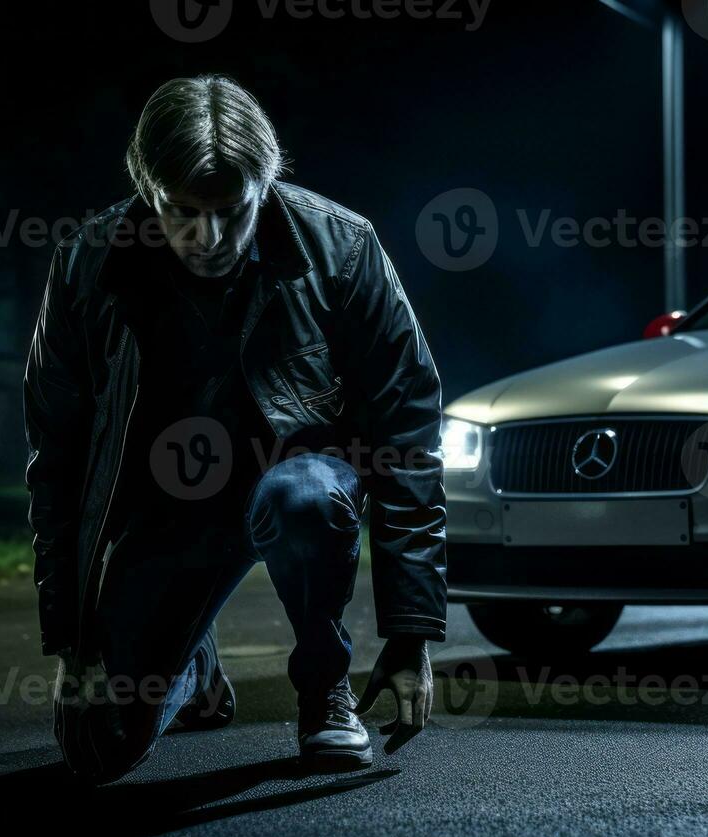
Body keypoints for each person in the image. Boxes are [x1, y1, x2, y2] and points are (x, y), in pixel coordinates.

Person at [23, 74, 446, 782]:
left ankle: (323, 693)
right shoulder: (86, 263)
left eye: (230, 210)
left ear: (266, 183)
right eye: (181, 211)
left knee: (303, 498)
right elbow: (55, 456)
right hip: (168, 513)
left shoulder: (342, 248)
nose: (207, 237)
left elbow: (407, 435)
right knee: (97, 750)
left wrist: (410, 634)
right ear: (145, 189)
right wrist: (69, 637)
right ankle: (193, 660)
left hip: (295, 484)